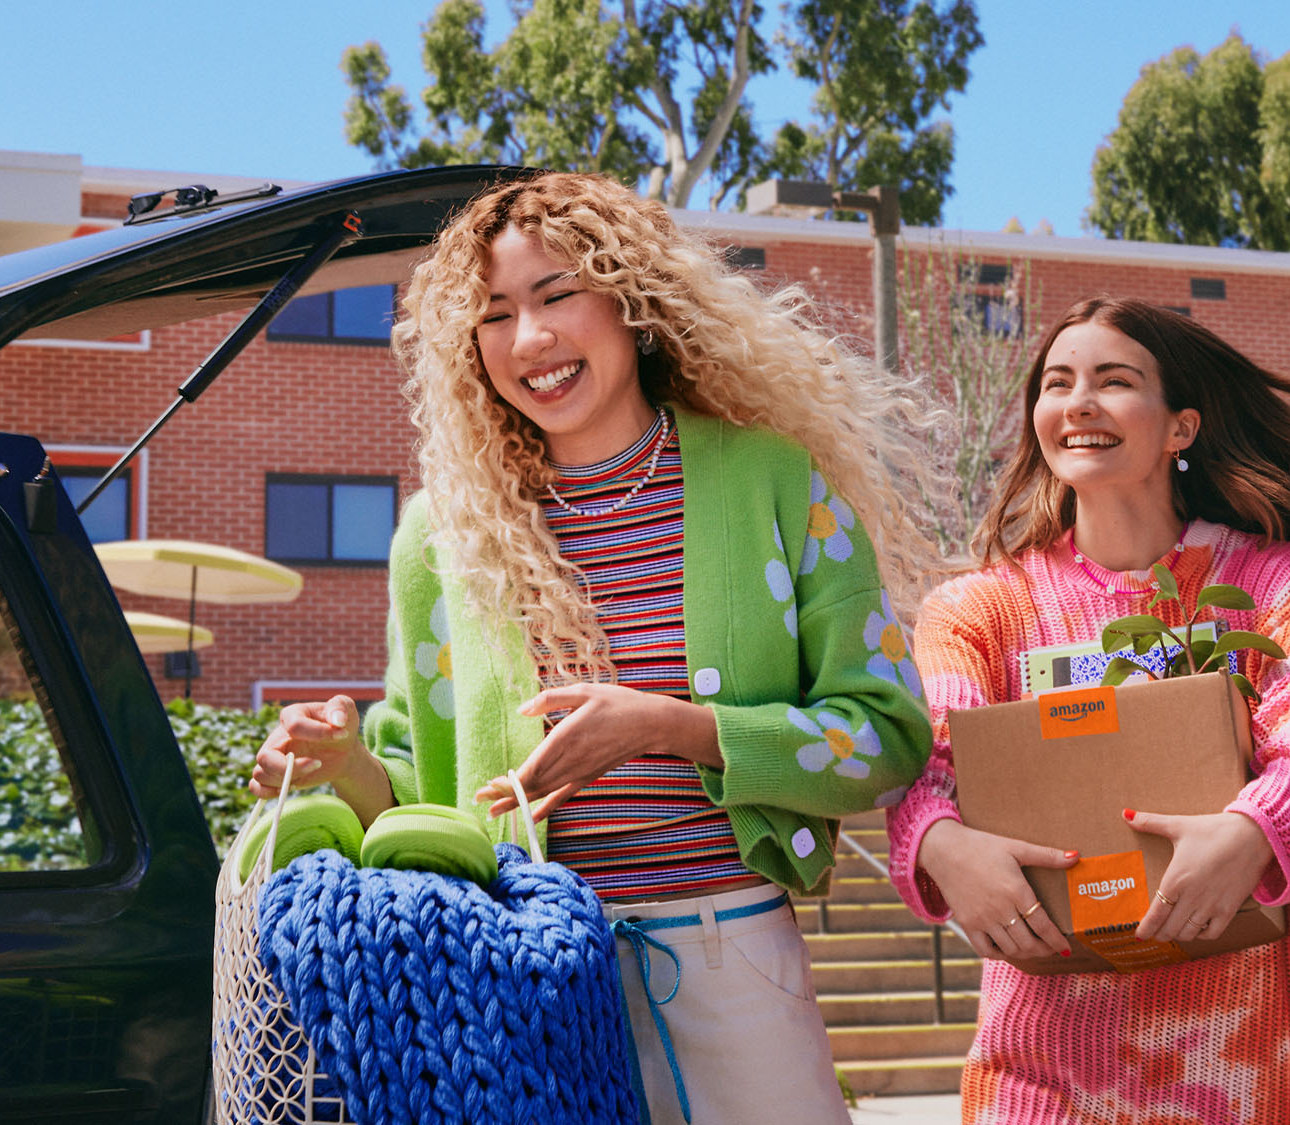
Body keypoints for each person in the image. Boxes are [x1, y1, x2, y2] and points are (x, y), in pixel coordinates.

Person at [249, 171, 943, 1125]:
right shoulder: (439, 539)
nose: (529, 339)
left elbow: (888, 740)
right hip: (511, 980)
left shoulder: (774, 480)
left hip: (731, 958)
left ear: (632, 299)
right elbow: (418, 809)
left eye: (556, 293)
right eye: (493, 315)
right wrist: (348, 762)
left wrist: (669, 727)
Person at [885, 296, 1290, 1123]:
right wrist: (938, 841)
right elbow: (930, 756)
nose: (1080, 402)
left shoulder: (1283, 579)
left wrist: (1255, 829)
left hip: (1258, 1058)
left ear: (1181, 427)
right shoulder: (977, 611)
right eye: (1058, 383)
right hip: (1047, 1067)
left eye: (1115, 380)